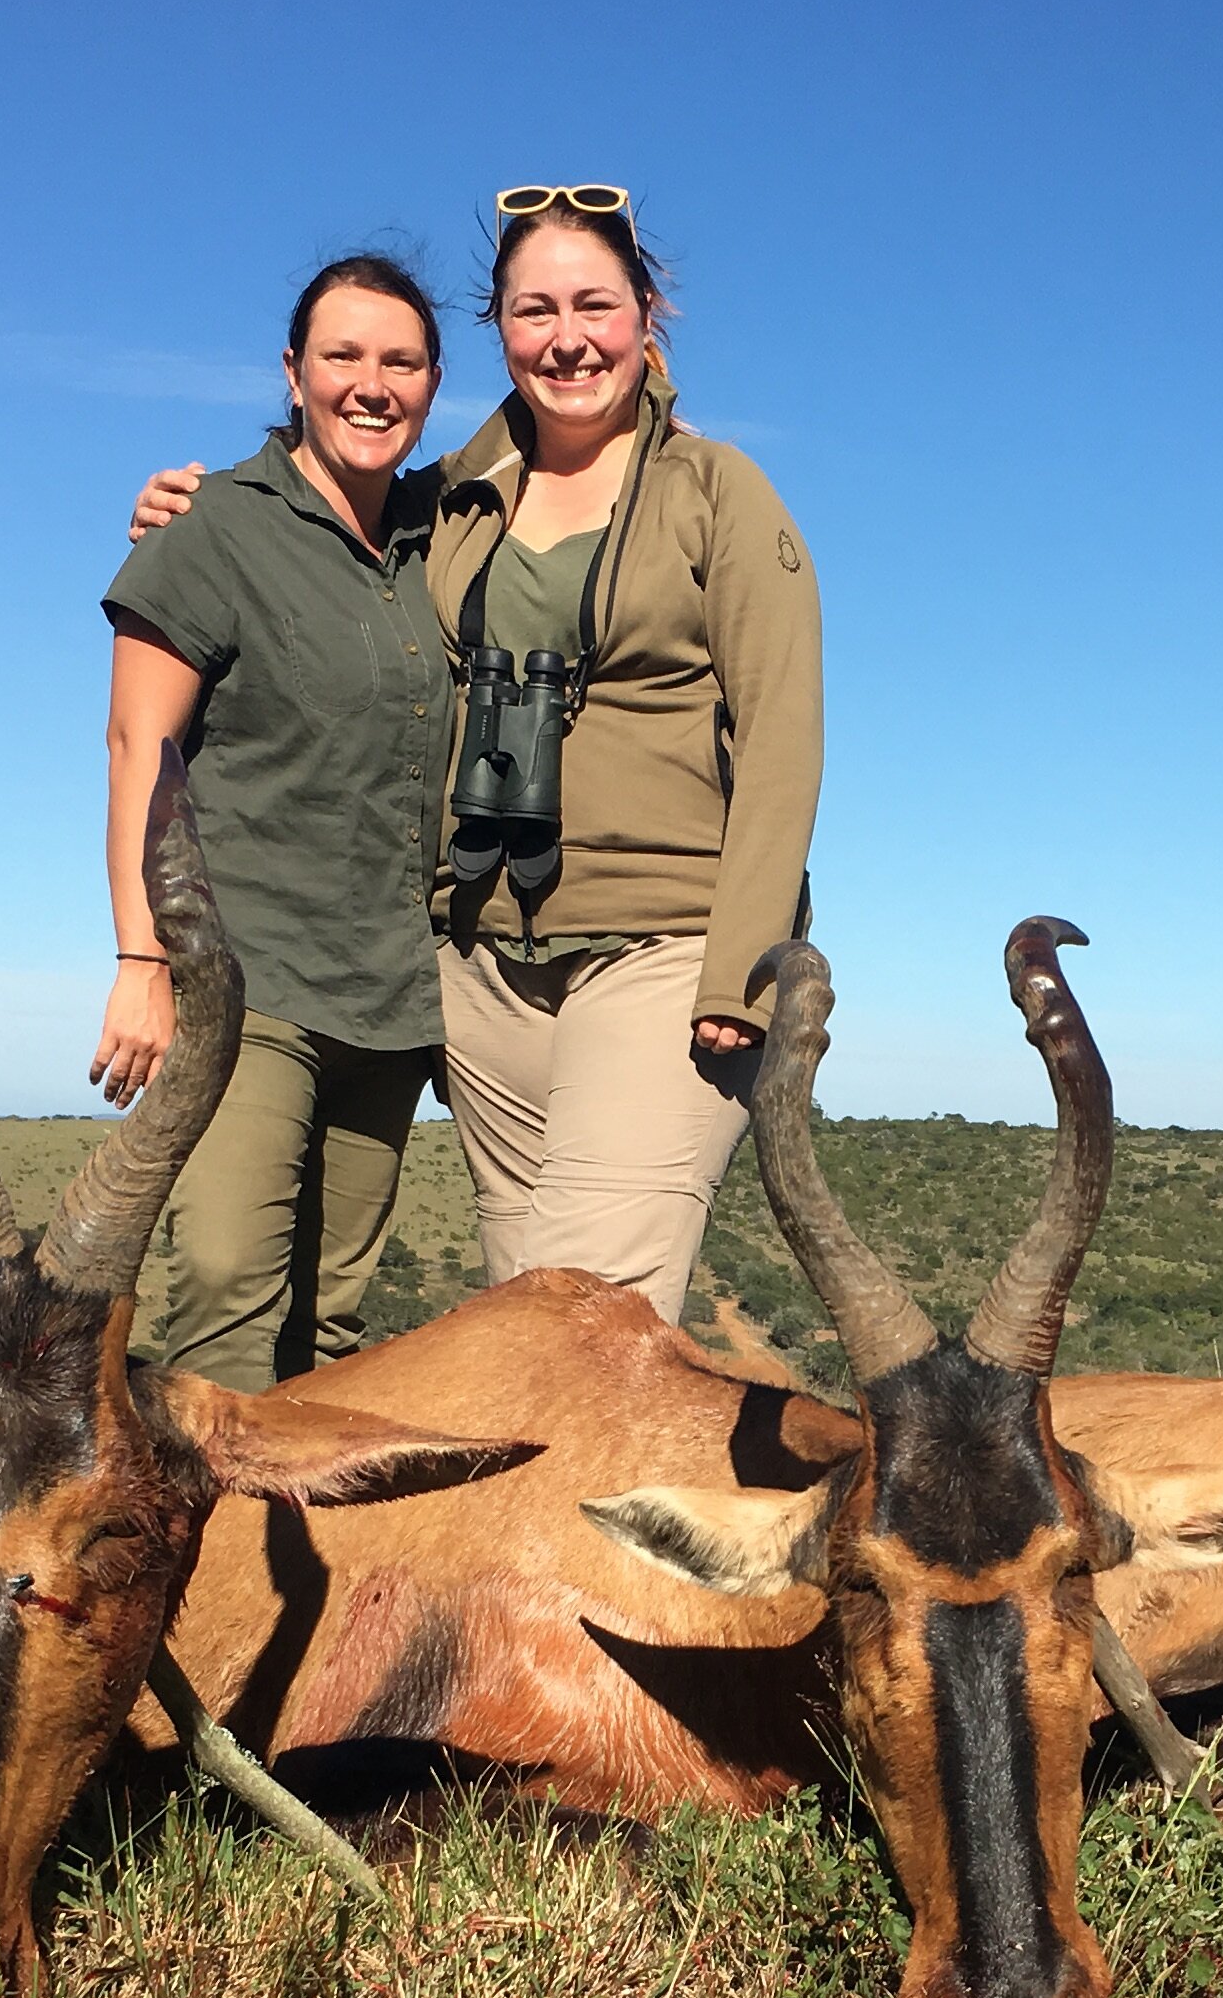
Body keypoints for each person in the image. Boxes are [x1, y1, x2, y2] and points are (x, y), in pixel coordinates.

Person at [132, 187, 821, 1327]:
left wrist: (741, 969)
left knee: (585, 1317)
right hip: (484, 969)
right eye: (533, 309)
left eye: (595, 305)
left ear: (645, 317)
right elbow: (313, 514)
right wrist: (202, 508)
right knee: (519, 1318)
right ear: (498, 330)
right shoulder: (452, 498)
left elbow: (784, 732)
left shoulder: (719, 492)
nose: (567, 338)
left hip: (662, 948)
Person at [95, 251, 452, 1384]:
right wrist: (140, 956)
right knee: (226, 1318)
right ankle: (207, 1568)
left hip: (394, 1008)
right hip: (246, 990)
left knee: (329, 1336)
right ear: (293, 373)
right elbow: (135, 747)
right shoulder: (215, 527)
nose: (371, 383)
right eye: (343, 355)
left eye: (401, 361)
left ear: (435, 385)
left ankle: (295, 1562)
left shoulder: (439, 536)